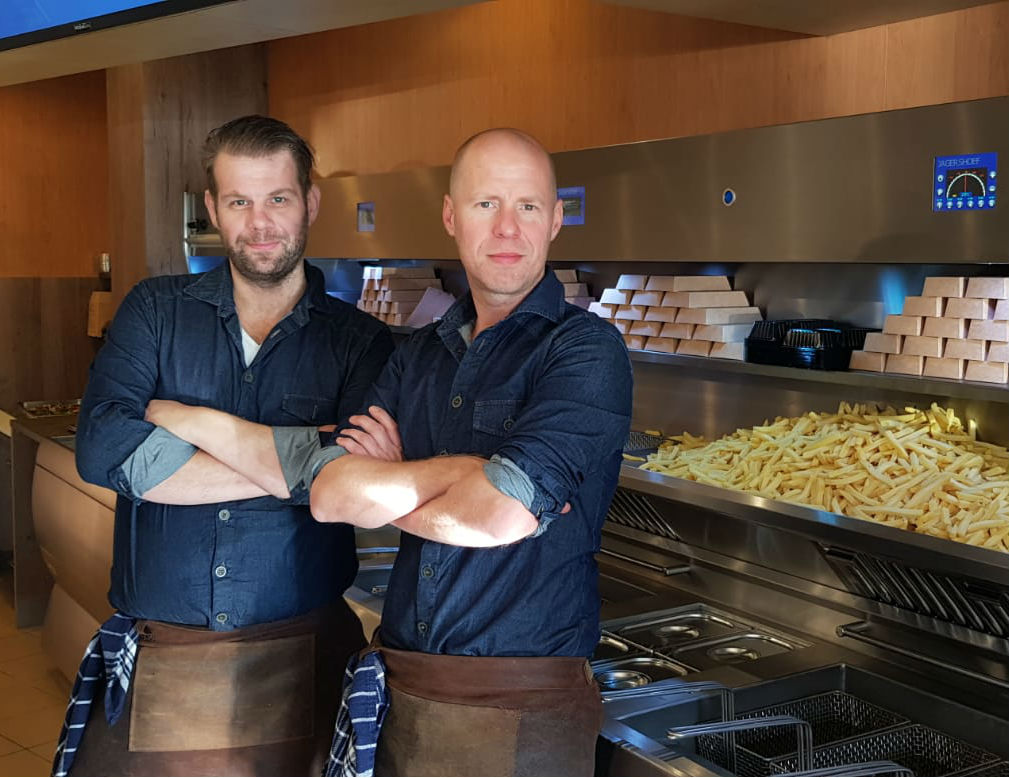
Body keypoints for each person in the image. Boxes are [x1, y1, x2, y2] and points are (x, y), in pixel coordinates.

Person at [55, 115, 394, 777]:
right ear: (212, 208)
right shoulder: (154, 310)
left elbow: (356, 486)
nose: (260, 222)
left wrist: (191, 422)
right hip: (163, 658)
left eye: (278, 199)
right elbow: (102, 450)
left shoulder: (359, 341)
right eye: (239, 200)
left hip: (306, 662)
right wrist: (300, 465)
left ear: (310, 202)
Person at [309, 127, 634, 776]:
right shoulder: (419, 354)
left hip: (525, 702)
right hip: (400, 684)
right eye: (487, 204)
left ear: (555, 221)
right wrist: (464, 476)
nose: (508, 228)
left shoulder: (585, 351)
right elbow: (328, 494)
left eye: (528, 206)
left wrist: (393, 483)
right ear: (452, 217)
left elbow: (500, 515)